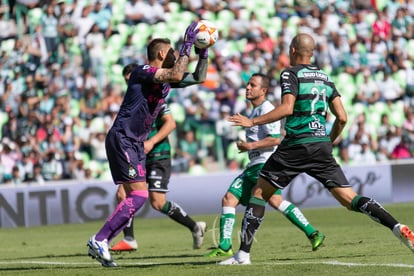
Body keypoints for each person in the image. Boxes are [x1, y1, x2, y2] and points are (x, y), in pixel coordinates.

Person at [221, 33, 414, 265]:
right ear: (311, 53)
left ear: (292, 50)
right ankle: (397, 226)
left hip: (295, 144)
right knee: (349, 199)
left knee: (260, 194)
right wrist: (328, 141)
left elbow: (287, 108)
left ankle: (243, 255)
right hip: (320, 144)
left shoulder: (290, 73)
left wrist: (252, 122)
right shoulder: (324, 77)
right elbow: (342, 117)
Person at [87, 22, 209, 267]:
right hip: (123, 138)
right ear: (162, 54)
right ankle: (100, 239)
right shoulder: (142, 71)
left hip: (135, 142)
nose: (177, 55)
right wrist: (187, 43)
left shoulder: (165, 81)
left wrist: (202, 52)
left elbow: (199, 77)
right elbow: (175, 73)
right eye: (173, 51)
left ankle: (102, 242)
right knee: (140, 195)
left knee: (136, 196)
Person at [205, 73, 324, 258]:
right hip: (255, 164)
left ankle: (313, 232)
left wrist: (249, 145)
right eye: (247, 84)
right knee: (231, 199)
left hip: (264, 164)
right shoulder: (255, 111)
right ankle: (225, 244)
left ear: (263, 90)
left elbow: (275, 139)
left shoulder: (266, 109)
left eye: (253, 85)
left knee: (262, 200)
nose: (248, 87)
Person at [109, 63, 207, 253]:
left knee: (157, 202)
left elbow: (170, 124)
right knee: (122, 194)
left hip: (157, 152)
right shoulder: (133, 99)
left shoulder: (156, 98)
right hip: (137, 152)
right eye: (127, 81)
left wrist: (152, 142)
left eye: (132, 79)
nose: (131, 83)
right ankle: (129, 239)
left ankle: (195, 226)